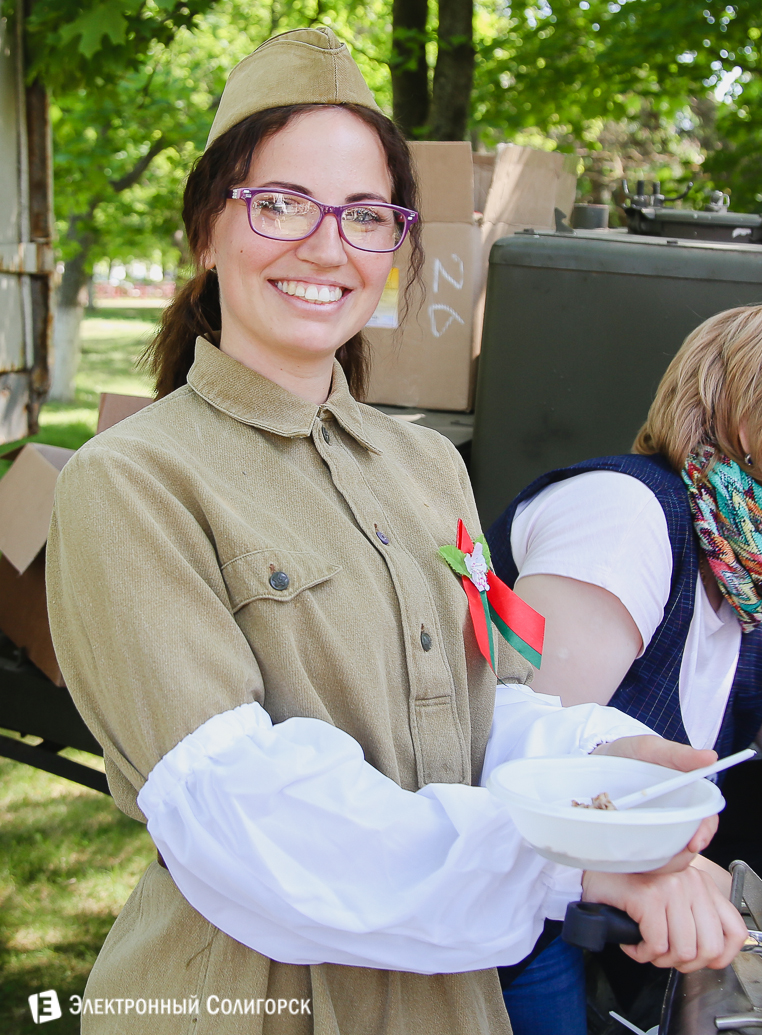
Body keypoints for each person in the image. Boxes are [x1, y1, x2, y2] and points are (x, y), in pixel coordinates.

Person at [46, 29, 745, 1035]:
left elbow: (492, 707)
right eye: (279, 203)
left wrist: (615, 767)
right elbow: (250, 818)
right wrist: (569, 860)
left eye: (367, 216)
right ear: (203, 231)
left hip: (449, 1004)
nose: (328, 247)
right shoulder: (131, 483)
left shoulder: (430, 468)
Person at [488, 303, 762, 1031]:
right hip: (505, 923)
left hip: (591, 917)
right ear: (743, 416)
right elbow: (514, 753)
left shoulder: (740, 568)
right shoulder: (627, 515)